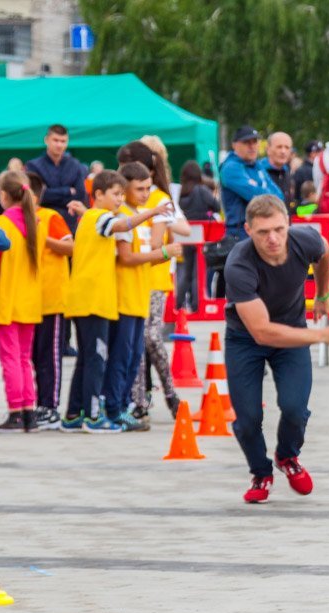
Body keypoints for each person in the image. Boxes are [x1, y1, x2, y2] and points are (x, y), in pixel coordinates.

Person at [222, 195, 329, 503]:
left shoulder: (304, 239)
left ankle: (288, 456)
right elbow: (262, 331)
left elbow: (324, 251)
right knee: (248, 418)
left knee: (294, 407)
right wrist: (321, 336)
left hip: (292, 332)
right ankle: (261, 472)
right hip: (245, 339)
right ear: (248, 230)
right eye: (263, 232)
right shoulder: (239, 264)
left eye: (279, 229)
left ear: (288, 224)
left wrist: (323, 293)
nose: (273, 238)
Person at [61, 171, 168, 433]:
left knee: (87, 358)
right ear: (98, 194)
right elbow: (121, 226)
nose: (120, 199)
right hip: (93, 301)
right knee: (96, 359)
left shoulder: (91, 217)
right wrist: (153, 212)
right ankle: (93, 417)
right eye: (116, 194)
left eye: (122, 194)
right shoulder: (101, 218)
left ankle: (74, 413)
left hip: (87, 299)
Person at [105, 162, 184, 431]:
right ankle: (127, 404)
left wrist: (161, 253)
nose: (145, 194)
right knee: (129, 352)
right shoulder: (124, 217)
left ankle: (140, 401)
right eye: (139, 189)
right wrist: (162, 252)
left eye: (147, 188)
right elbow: (128, 257)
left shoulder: (142, 211)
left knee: (138, 348)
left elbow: (147, 253)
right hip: (127, 294)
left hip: (144, 290)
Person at [120, 140, 191, 419]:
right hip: (131, 278)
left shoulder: (158, 198)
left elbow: (158, 244)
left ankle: (170, 392)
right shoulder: (121, 201)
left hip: (154, 276)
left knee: (150, 336)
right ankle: (139, 399)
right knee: (136, 340)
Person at [27, 174, 73, 429]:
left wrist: (43, 238)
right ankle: (37, 404)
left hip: (51, 299)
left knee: (49, 356)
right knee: (33, 356)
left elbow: (71, 247)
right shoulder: (14, 221)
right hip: (28, 299)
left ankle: (50, 406)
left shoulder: (50, 217)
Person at [0, 171, 39, 433]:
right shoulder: (34, 222)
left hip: (7, 297)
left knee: (9, 359)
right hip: (30, 299)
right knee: (24, 358)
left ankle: (15, 412)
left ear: (4, 195)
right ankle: (29, 411)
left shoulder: (3, 224)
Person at [220, 126, 285, 243]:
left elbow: (279, 196)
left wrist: (258, 188)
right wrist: (263, 189)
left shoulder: (257, 165)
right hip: (239, 233)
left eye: (255, 142)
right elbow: (256, 197)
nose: (252, 146)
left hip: (261, 228)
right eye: (246, 142)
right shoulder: (231, 168)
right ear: (234, 145)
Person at [24, 124, 88, 232]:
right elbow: (38, 196)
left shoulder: (75, 165)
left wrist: (50, 193)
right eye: (55, 140)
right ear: (46, 140)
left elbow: (80, 195)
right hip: (44, 224)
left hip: (70, 224)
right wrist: (67, 191)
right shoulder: (33, 165)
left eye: (63, 141)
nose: (59, 145)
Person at [177, 160, 221, 312]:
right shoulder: (202, 190)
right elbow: (216, 206)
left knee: (185, 272)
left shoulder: (180, 192)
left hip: (184, 235)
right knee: (199, 272)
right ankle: (197, 304)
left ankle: (178, 303)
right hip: (201, 235)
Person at [263, 132, 294, 205]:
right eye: (279, 147)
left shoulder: (287, 172)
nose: (283, 151)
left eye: (287, 147)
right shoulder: (259, 171)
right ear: (268, 149)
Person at [290, 141, 321, 211]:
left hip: (301, 209)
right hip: (310, 210)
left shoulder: (301, 169)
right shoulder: (310, 170)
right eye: (319, 152)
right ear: (313, 154)